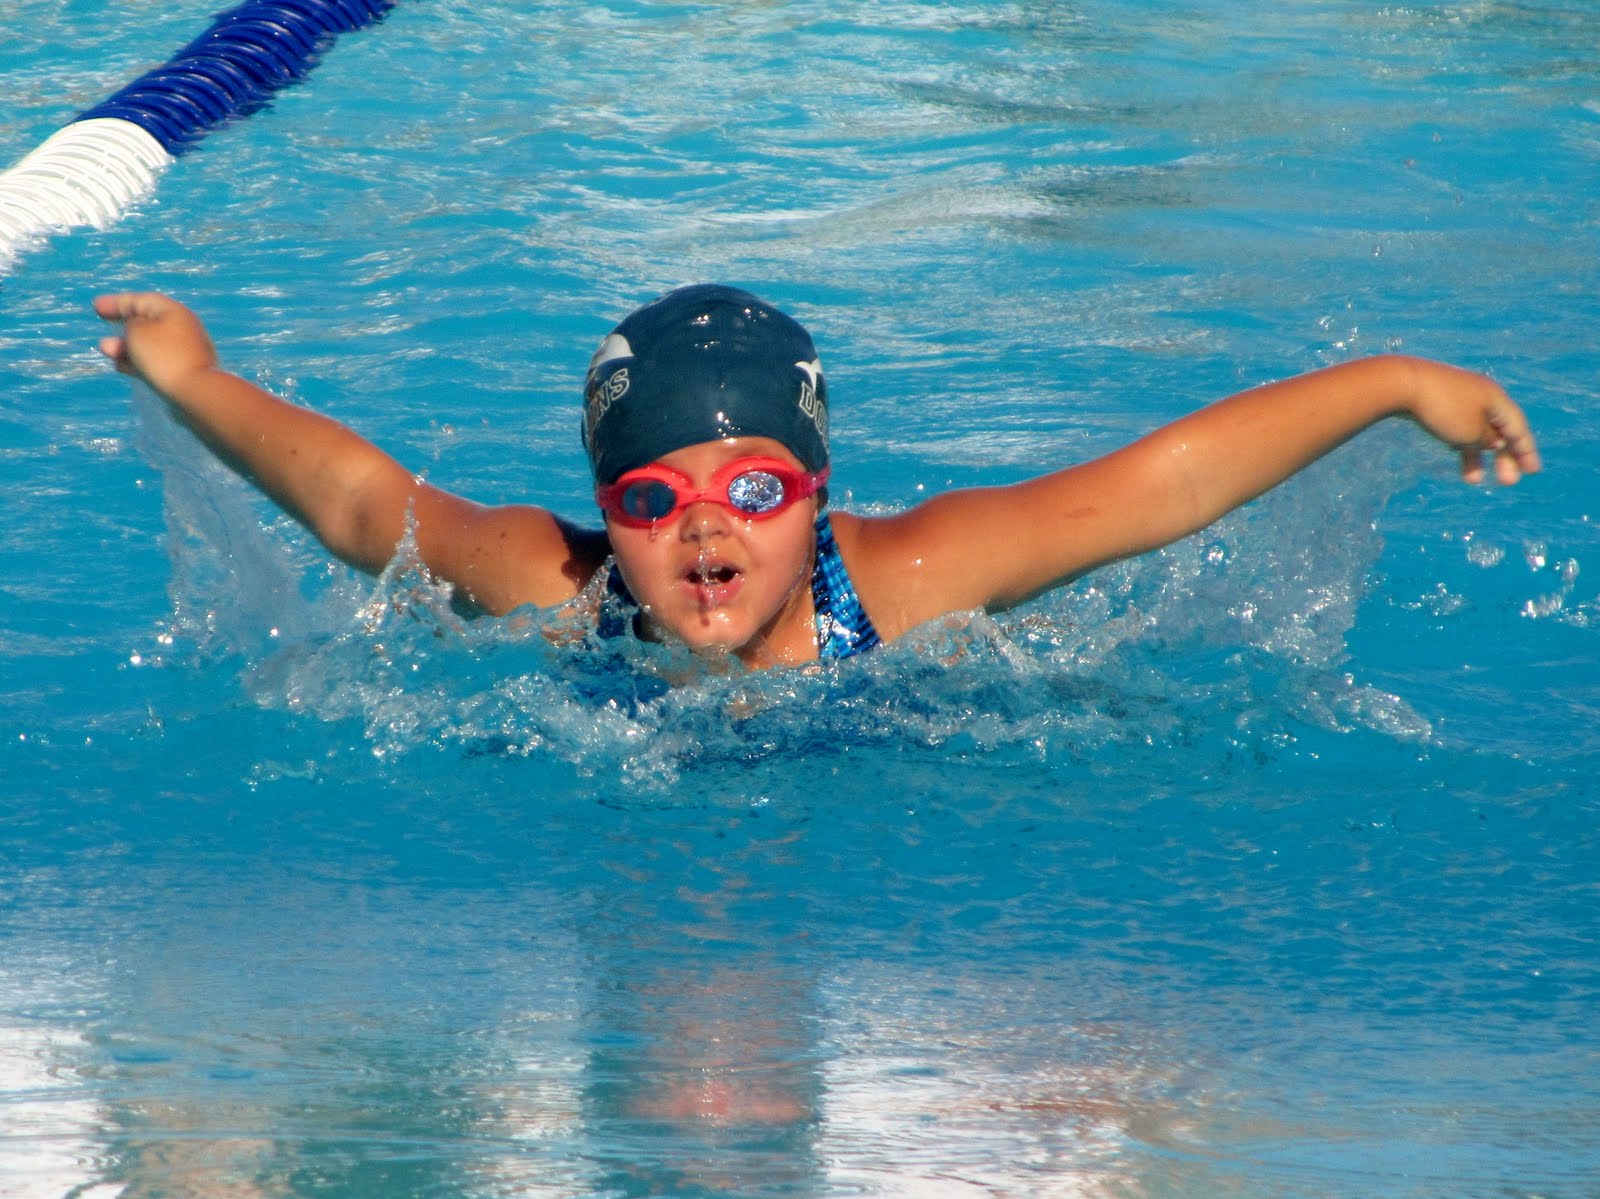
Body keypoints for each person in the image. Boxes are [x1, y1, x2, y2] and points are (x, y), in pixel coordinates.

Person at [92, 284, 1541, 671]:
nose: (703, 523)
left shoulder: (906, 582)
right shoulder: (561, 588)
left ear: (821, 493)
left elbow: (1159, 490)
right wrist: (194, 376)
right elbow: (362, 511)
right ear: (608, 510)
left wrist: (1395, 387)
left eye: (755, 492)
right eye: (650, 497)